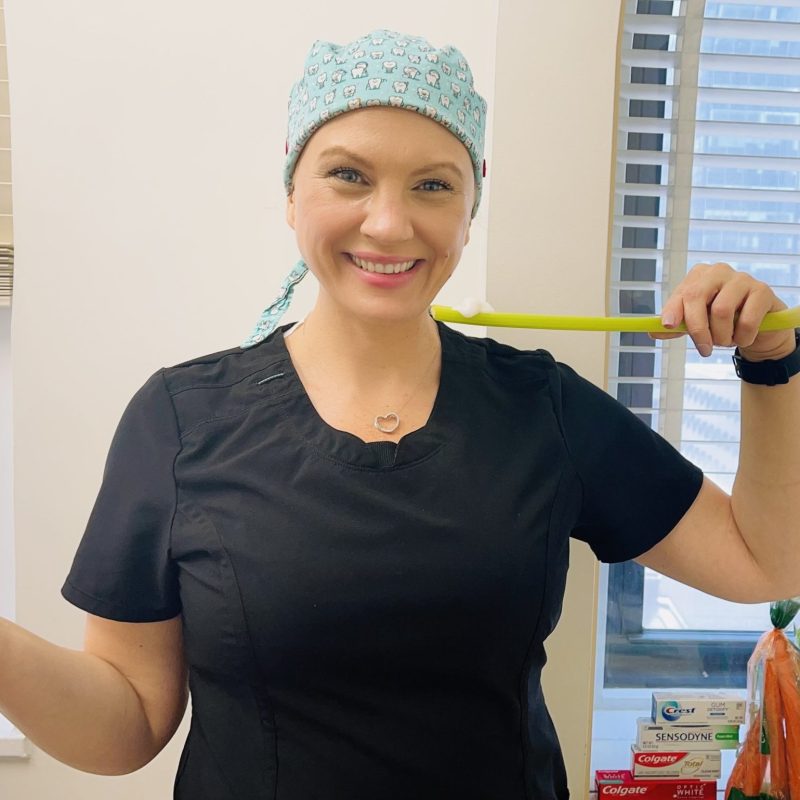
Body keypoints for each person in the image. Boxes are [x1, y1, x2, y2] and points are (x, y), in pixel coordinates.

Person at [1, 28, 799, 800]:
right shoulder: (179, 420)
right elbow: (127, 724)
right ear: (291, 192)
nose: (389, 223)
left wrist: (772, 363)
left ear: (469, 207)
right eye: (348, 175)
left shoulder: (542, 408)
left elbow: (764, 561)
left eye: (433, 184)